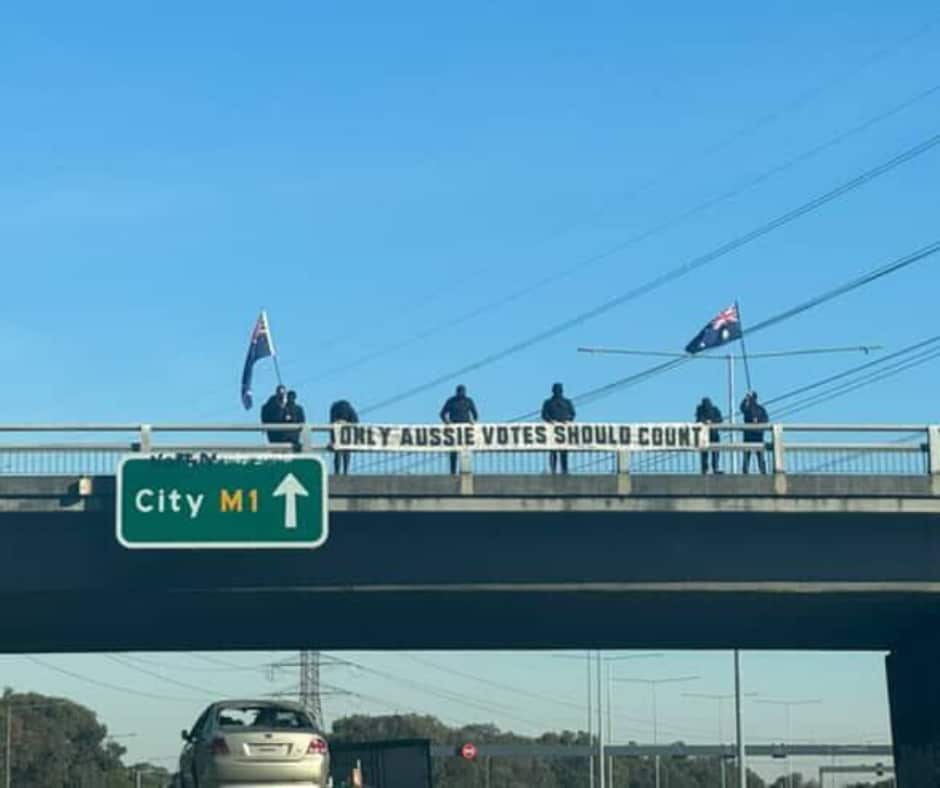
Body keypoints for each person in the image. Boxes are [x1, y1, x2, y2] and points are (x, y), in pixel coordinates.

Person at [439, 384, 478, 474]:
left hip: (465, 430)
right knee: (453, 451)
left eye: (463, 391)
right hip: (454, 430)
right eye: (460, 391)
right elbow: (442, 414)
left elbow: (475, 414)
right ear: (456, 392)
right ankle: (453, 472)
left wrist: (473, 422)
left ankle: (465, 472)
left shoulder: (469, 401)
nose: (461, 393)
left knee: (465, 451)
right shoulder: (451, 401)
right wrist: (447, 422)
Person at [541, 382, 575, 474]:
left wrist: (568, 420)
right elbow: (544, 415)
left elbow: (572, 414)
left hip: (564, 431)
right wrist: (551, 421)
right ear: (553, 391)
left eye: (559, 390)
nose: (558, 391)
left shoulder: (567, 402)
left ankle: (565, 471)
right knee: (553, 452)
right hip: (552, 431)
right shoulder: (548, 403)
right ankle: (553, 471)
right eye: (556, 390)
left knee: (564, 452)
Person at [740, 391, 769, 474]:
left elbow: (765, 420)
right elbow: (742, 408)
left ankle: (758, 471)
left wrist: (758, 421)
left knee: (754, 455)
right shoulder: (751, 408)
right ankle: (762, 472)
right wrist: (745, 399)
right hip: (756, 435)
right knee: (752, 455)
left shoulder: (758, 409)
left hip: (753, 435)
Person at [329, 399, 359, 475]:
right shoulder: (349, 409)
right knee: (345, 453)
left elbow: (331, 422)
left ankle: (338, 472)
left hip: (340, 434)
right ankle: (345, 471)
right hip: (345, 434)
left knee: (338, 453)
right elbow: (356, 421)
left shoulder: (335, 408)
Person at [695, 396, 723, 474]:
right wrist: (706, 421)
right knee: (708, 452)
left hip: (711, 434)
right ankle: (708, 468)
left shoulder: (710, 410)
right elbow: (698, 420)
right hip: (708, 434)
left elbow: (720, 419)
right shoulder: (703, 410)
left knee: (713, 452)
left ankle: (710, 468)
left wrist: (711, 421)